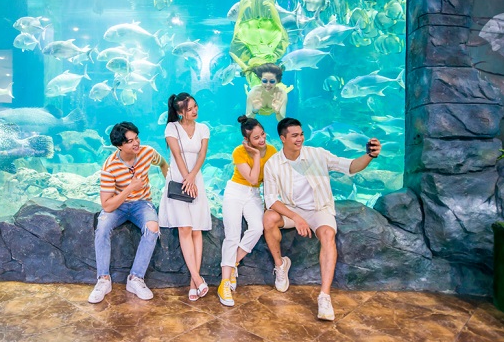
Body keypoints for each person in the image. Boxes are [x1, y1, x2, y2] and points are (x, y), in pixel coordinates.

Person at [262, 117, 381, 320]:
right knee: (269, 218)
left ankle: (324, 296)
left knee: (327, 235)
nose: (300, 139)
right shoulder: (273, 164)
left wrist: (370, 155)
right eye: (294, 136)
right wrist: (296, 217)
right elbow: (271, 199)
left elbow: (350, 167)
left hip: (319, 208)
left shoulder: (317, 154)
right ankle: (280, 265)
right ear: (283, 138)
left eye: (301, 134)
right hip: (293, 209)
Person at [88, 121, 169, 304]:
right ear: (119, 146)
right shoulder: (110, 166)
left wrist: (169, 185)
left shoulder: (147, 152)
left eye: (136, 138)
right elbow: (107, 205)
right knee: (102, 227)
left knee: (153, 228)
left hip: (142, 203)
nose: (136, 143)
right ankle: (103, 280)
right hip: (118, 205)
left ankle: (136, 278)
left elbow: (163, 163)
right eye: (130, 141)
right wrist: (130, 188)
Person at [217, 115, 277, 307]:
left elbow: (269, 180)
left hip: (254, 195)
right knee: (232, 235)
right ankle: (224, 283)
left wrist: (270, 203)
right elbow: (251, 178)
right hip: (235, 192)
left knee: (257, 228)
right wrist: (257, 156)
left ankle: (233, 263)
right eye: (256, 138)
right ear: (247, 140)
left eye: (263, 134)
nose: (262, 139)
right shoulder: (239, 152)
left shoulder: (273, 151)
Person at [159, 92, 212, 301]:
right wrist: (186, 178)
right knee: (185, 228)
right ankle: (198, 279)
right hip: (177, 179)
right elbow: (177, 155)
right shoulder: (171, 128)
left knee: (197, 230)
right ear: (180, 112)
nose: (194, 111)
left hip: (195, 180)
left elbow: (202, 155)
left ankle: (193, 282)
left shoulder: (203, 128)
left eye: (195, 106)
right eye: (189, 109)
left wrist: (192, 177)